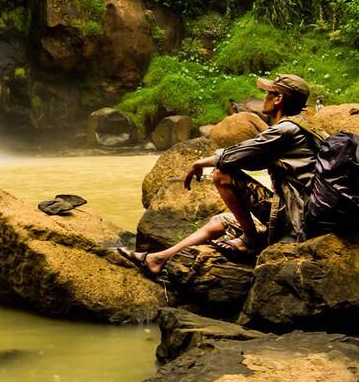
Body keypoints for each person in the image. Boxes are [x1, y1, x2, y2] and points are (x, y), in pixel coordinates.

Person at [117, 74, 320, 278]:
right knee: (219, 221)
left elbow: (234, 156)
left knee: (223, 174)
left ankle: (250, 241)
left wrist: (199, 162)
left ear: (278, 99)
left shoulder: (286, 130)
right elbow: (251, 160)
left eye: (268, 93)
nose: (264, 98)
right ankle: (157, 259)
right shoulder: (303, 127)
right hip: (299, 213)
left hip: (295, 219)